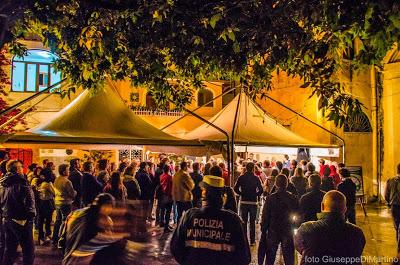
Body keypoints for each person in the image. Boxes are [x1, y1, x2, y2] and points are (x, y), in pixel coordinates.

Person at [170, 174, 251, 265]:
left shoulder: (189, 216)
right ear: (222, 196)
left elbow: (175, 248)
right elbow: (244, 257)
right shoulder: (234, 220)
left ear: (204, 193)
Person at [295, 191, 366, 265]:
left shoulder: (306, 229)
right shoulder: (357, 233)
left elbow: (299, 247)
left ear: (322, 206)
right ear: (345, 209)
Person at [0, 160, 36, 265]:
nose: (23, 168)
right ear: (17, 169)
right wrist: (30, 218)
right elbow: (30, 203)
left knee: (9, 249)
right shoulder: (22, 182)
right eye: (21, 166)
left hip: (6, 219)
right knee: (28, 250)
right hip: (21, 220)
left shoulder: (3, 183)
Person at [259, 174, 299, 265]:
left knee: (270, 257)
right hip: (287, 229)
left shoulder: (270, 198)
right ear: (287, 184)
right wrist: (294, 226)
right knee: (289, 258)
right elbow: (298, 214)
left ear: (276, 184)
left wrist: (264, 230)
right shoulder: (292, 198)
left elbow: (265, 216)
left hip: (273, 229)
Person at [234, 162, 263, 245]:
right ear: (253, 168)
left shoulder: (241, 177)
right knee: (252, 222)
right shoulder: (256, 178)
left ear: (246, 168)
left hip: (244, 201)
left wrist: (242, 194)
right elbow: (261, 190)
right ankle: (252, 241)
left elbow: (235, 188)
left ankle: (244, 240)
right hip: (253, 202)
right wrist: (255, 194)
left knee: (244, 221)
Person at [53, 164, 77, 248]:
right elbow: (72, 193)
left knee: (58, 220)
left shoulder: (56, 179)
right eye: (68, 170)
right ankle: (62, 240)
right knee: (65, 221)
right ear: (64, 172)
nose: (69, 171)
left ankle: (55, 238)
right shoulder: (67, 181)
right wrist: (76, 192)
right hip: (66, 203)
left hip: (57, 202)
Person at [38, 168, 56, 245]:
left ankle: (41, 236)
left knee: (41, 220)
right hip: (47, 202)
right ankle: (46, 235)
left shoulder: (41, 182)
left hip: (41, 202)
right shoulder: (48, 184)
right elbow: (54, 192)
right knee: (48, 220)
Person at [385, 163, 400, 251]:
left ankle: (399, 245)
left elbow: (386, 194)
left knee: (397, 226)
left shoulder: (390, 180)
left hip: (395, 206)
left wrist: (389, 202)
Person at [159, 164, 174, 232]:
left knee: (163, 210)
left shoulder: (161, 176)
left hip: (162, 195)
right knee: (168, 212)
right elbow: (171, 186)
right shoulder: (169, 177)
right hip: (168, 195)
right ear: (168, 169)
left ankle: (163, 223)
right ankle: (166, 227)